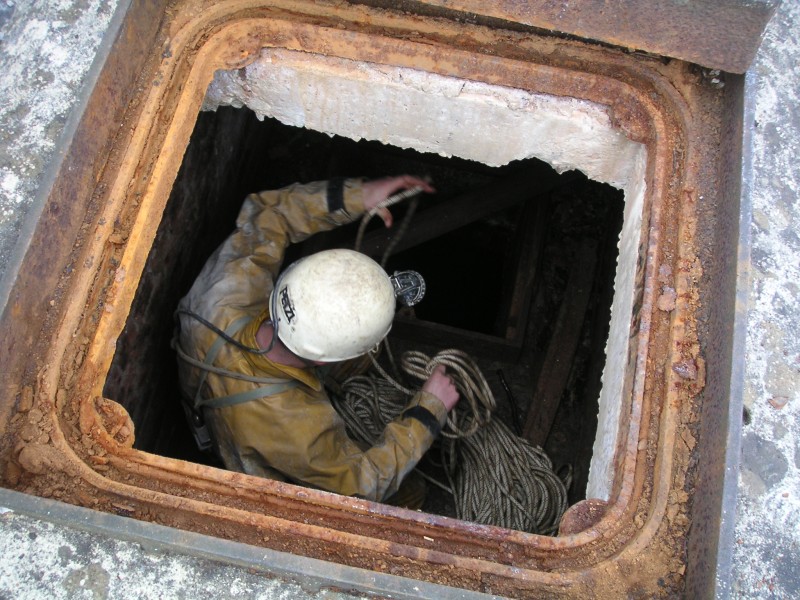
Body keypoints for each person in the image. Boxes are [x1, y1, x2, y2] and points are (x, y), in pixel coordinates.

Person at [174, 175, 460, 504]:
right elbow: (364, 486)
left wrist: (358, 196)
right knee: (411, 494)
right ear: (323, 361)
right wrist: (427, 412)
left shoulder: (228, 287)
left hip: (208, 398)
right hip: (245, 454)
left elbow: (270, 215)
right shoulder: (297, 429)